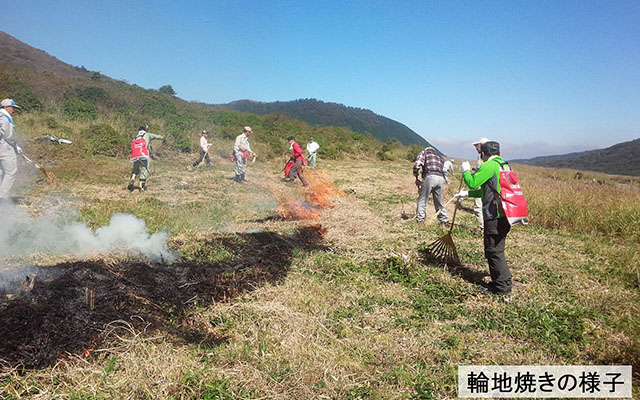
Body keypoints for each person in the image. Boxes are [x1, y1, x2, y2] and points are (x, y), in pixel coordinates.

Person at [455, 141, 512, 295]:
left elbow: (472, 182)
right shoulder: (504, 165)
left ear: (483, 153)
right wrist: (466, 194)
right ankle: (503, 281)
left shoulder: (489, 165)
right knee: (498, 249)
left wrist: (466, 171)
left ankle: (501, 288)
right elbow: (489, 190)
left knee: (493, 251)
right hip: (506, 214)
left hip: (494, 215)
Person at [413, 146, 449, 224]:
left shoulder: (424, 153)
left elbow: (417, 165)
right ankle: (444, 220)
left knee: (422, 199)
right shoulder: (439, 157)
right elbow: (444, 170)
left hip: (430, 176)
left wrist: (415, 174)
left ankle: (420, 220)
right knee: (439, 201)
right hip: (440, 178)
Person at [128, 126, 165, 192]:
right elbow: (156, 136)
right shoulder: (147, 135)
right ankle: (141, 187)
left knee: (135, 169)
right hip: (144, 155)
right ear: (145, 130)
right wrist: (163, 138)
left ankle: (132, 178)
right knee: (144, 170)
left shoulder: (135, 138)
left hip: (135, 156)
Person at [0, 99, 23, 201]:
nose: (14, 111)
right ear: (7, 107)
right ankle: (2, 198)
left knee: (1, 171)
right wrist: (15, 145)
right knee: (10, 172)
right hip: (5, 148)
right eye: (13, 108)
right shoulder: (5, 118)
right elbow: (9, 135)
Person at [471, 138, 490, 230]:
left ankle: (482, 227)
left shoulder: (482, 156)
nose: (476, 149)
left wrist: (467, 172)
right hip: (486, 181)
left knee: (478, 204)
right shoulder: (491, 155)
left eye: (477, 146)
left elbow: (480, 168)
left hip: (481, 181)